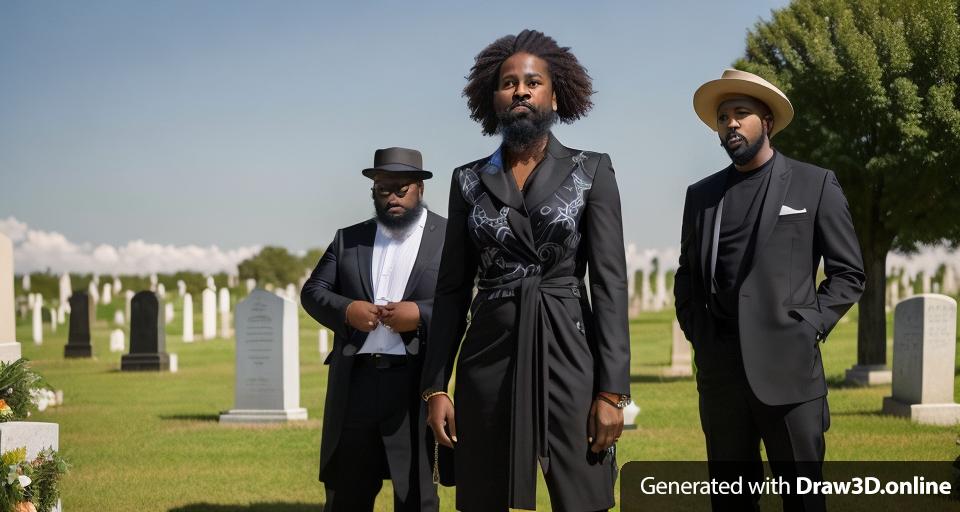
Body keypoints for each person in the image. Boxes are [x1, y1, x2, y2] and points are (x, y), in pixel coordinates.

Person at [419, 29, 631, 512]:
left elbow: (611, 284)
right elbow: (451, 289)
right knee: (481, 495)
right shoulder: (468, 179)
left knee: (583, 493)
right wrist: (436, 386)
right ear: (491, 98)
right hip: (488, 353)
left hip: (568, 346)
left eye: (532, 82)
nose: (520, 90)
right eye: (508, 82)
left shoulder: (591, 170)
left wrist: (613, 392)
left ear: (554, 95)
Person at [674, 69, 866, 511]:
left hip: (790, 375)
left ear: (768, 122)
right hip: (721, 377)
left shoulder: (814, 184)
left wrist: (808, 326)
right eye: (723, 117)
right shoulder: (701, 196)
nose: (731, 124)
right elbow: (686, 275)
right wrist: (698, 333)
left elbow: (849, 272)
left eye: (742, 113)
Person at [301, 147, 445, 512]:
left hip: (414, 386)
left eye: (402, 188)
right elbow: (313, 292)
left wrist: (421, 314)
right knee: (345, 492)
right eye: (384, 189)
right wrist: (347, 310)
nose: (393, 197)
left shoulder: (448, 237)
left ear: (420, 189)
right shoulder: (348, 239)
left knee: (415, 495)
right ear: (373, 191)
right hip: (355, 386)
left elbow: (468, 301)